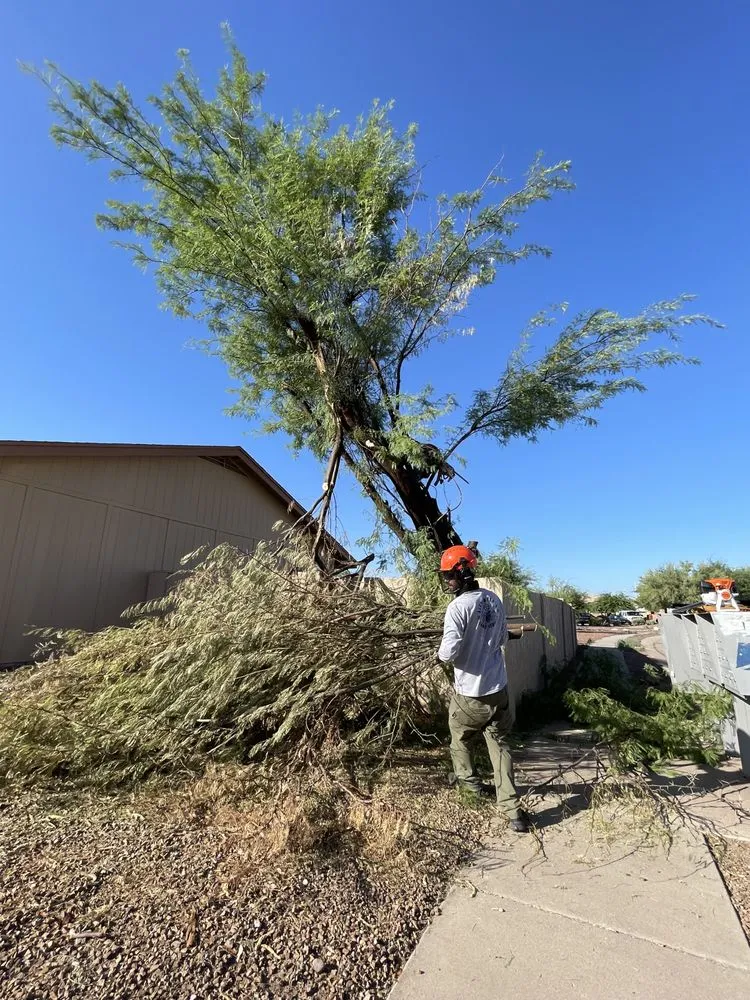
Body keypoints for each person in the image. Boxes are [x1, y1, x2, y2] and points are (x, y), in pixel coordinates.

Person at [437, 544, 530, 833]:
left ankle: (470, 787)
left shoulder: (457, 608)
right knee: (500, 745)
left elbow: (447, 653)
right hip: (499, 691)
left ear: (463, 572)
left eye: (449, 576)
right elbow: (502, 637)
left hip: (471, 694)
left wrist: (439, 652)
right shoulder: (493, 600)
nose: (447, 582)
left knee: (459, 738)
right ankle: (512, 810)